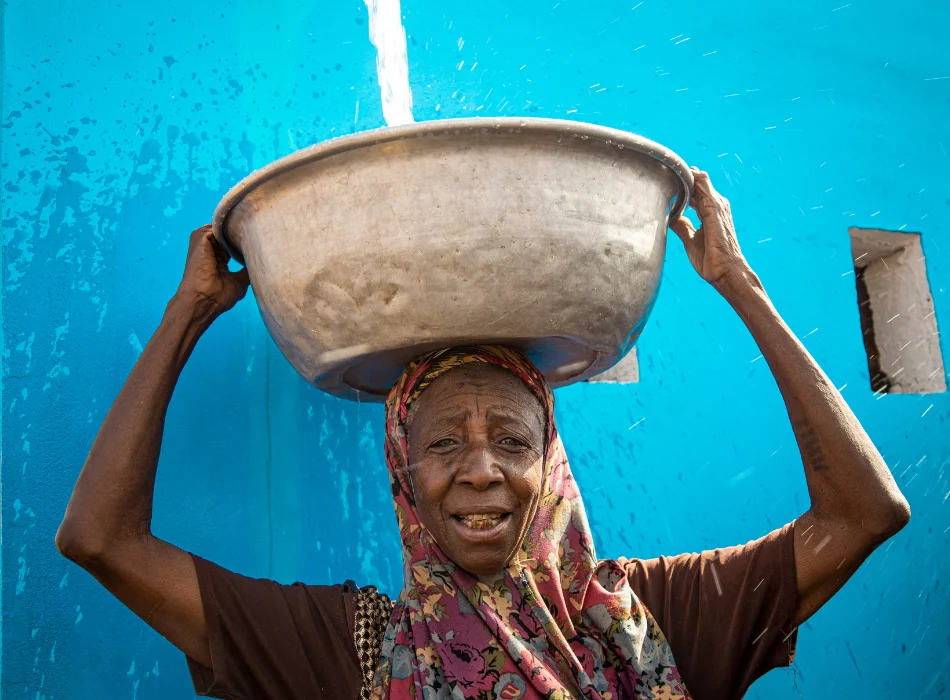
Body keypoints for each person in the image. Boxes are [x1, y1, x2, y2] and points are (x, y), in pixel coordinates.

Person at [56, 169, 910, 700]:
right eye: (440, 444)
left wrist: (741, 285)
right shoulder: (349, 653)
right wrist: (187, 312)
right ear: (401, 470)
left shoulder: (657, 619)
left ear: (551, 465)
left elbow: (865, 515)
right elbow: (101, 541)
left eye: (511, 439)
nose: (479, 471)